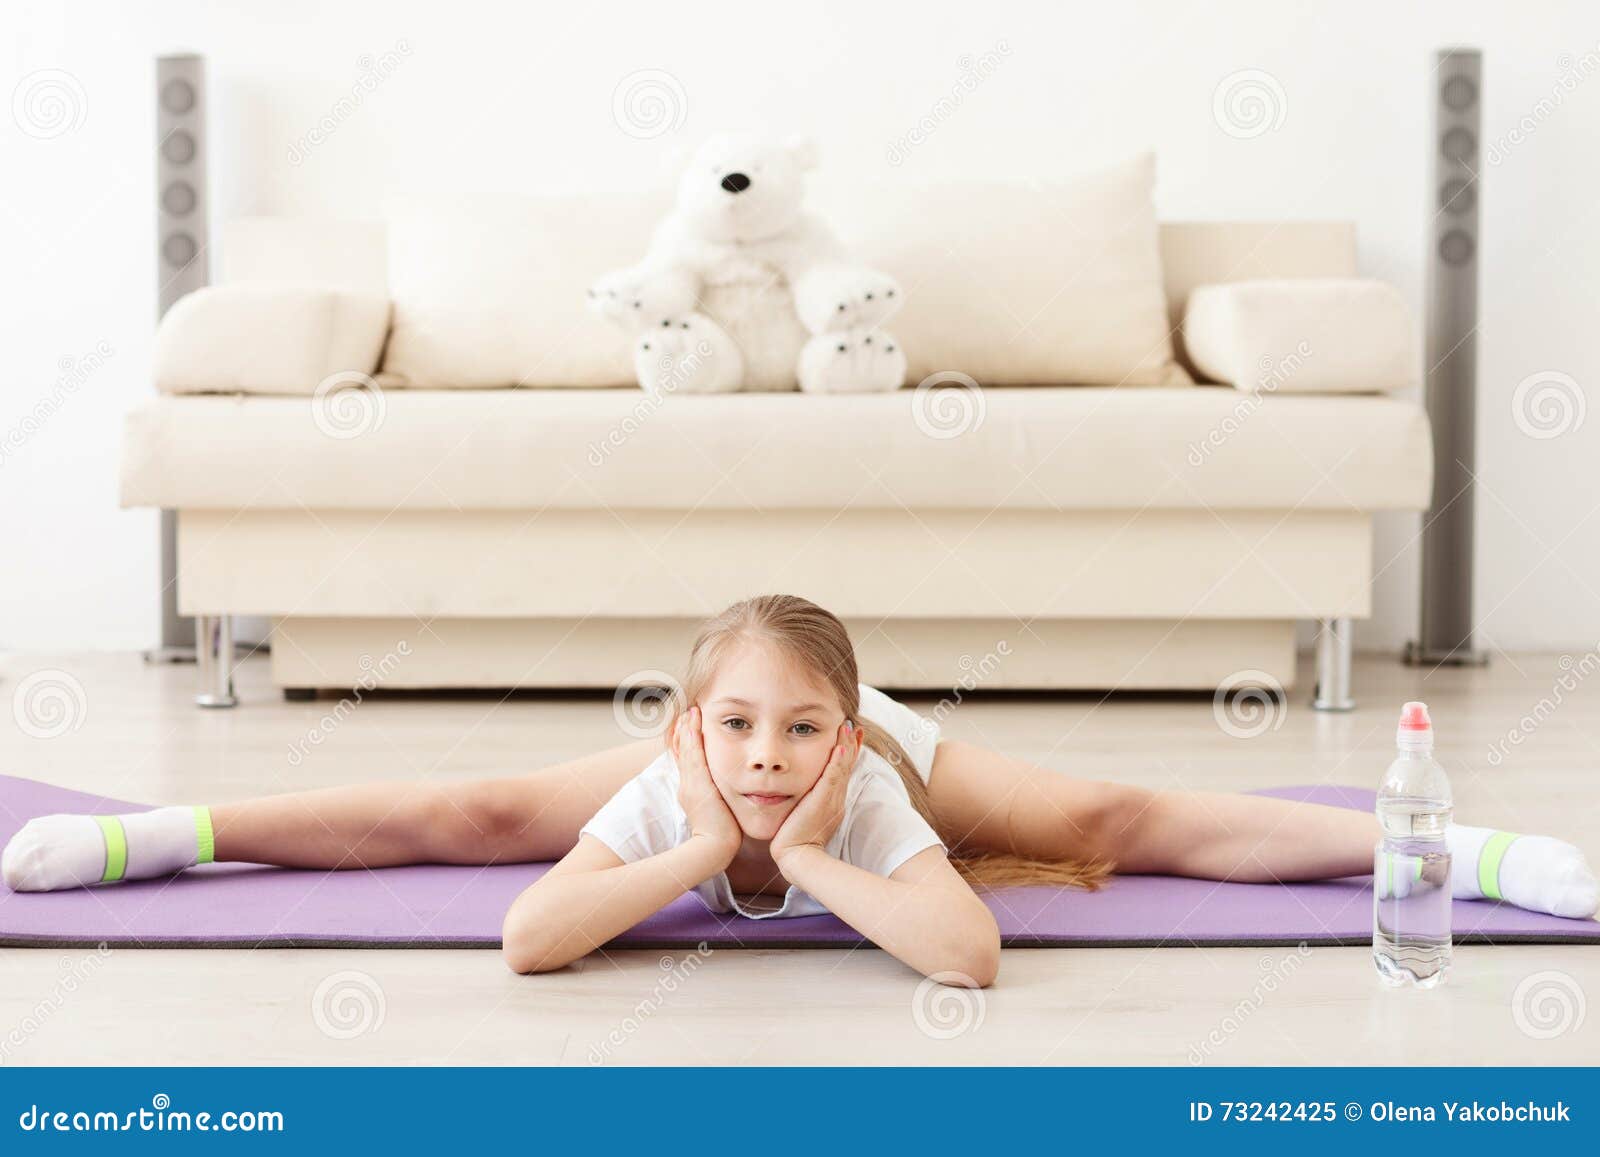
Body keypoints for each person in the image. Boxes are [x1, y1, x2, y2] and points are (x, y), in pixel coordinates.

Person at [5, 595, 1595, 986]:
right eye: (742, 730)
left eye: (793, 736)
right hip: (690, 768)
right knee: (471, 808)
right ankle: (159, 836)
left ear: (836, 734)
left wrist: (822, 839)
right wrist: (702, 831)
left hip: (889, 758)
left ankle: (1479, 844)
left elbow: (966, 954)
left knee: (1112, 822)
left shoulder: (859, 775)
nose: (768, 760)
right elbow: (525, 937)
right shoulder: (694, 766)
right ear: (697, 723)